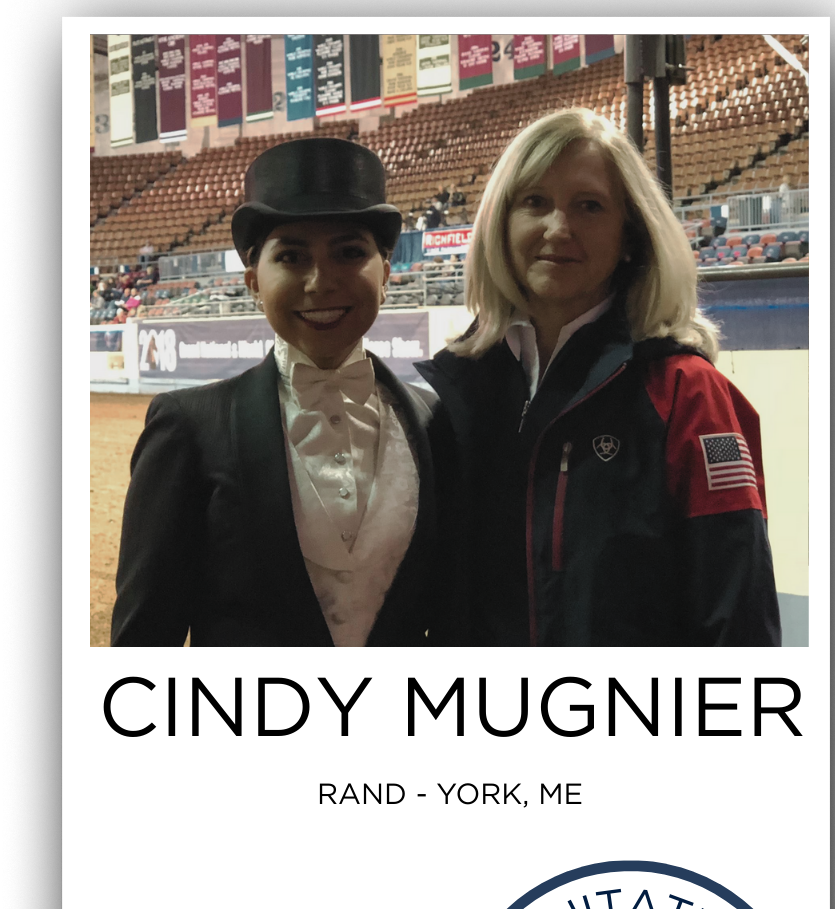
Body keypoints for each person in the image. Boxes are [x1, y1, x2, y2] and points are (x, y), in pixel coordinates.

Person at [416, 108, 781, 647]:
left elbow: (738, 616)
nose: (558, 228)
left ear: (629, 235)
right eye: (534, 202)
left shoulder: (686, 394)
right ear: (502, 223)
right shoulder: (459, 391)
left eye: (589, 206)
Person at [111, 137, 436, 647]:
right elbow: (146, 638)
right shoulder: (187, 425)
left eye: (350, 252)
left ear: (386, 273)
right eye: (291, 256)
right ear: (253, 281)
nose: (321, 281)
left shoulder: (435, 420)